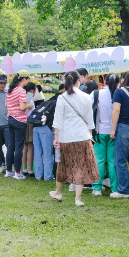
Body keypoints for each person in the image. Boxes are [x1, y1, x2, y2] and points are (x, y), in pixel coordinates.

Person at [49, 71, 99, 207]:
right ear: (78, 81)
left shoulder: (62, 98)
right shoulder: (86, 97)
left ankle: (58, 192)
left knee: (63, 165)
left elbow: (57, 120)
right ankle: (78, 199)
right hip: (83, 136)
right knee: (80, 166)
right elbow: (90, 120)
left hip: (66, 137)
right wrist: (89, 135)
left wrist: (56, 137)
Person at [91, 73, 119, 196]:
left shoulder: (96, 94)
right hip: (115, 132)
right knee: (113, 161)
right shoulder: (120, 94)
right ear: (118, 83)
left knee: (99, 160)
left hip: (99, 131)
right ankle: (115, 188)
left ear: (104, 80)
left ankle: (97, 188)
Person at [5, 70, 32, 179]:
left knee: (11, 146)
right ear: (24, 79)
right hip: (20, 120)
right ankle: (17, 172)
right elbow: (22, 107)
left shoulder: (10, 90)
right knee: (19, 147)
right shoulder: (21, 91)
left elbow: (6, 104)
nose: (28, 81)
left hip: (10, 119)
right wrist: (29, 106)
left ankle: (9, 170)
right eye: (28, 79)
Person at [22, 82, 37, 178]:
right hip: (29, 123)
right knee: (30, 147)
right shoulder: (29, 99)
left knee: (24, 148)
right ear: (32, 91)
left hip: (22, 122)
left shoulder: (23, 97)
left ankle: (24, 169)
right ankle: (30, 170)